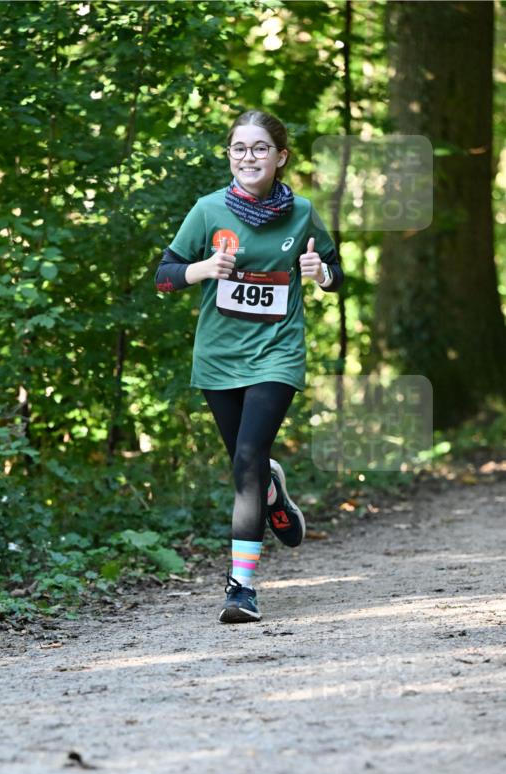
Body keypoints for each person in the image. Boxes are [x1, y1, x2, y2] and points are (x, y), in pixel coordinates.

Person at [155, 109, 344, 624]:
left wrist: (320, 271)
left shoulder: (302, 212)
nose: (248, 157)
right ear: (229, 155)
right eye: (239, 148)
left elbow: (336, 272)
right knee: (247, 465)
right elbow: (164, 276)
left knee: (247, 457)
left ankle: (241, 587)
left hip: (277, 354)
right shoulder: (208, 210)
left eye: (260, 148)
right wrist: (202, 269)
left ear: (280, 157)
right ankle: (272, 488)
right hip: (218, 356)